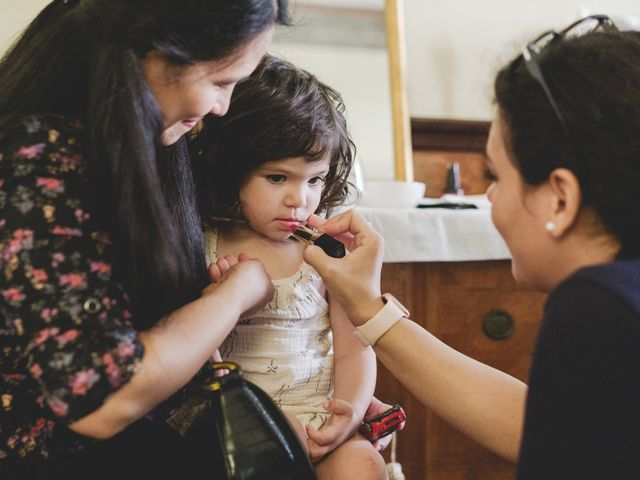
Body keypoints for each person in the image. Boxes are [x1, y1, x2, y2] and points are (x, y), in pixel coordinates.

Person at [301, 15, 640, 479]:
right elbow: (541, 424)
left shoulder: (598, 306)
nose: (491, 198)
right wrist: (367, 308)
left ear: (560, 197)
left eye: (497, 177)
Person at [0, 1, 290, 478]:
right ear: (154, 52)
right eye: (221, 82)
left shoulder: (140, 145)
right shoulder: (38, 156)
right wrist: (236, 294)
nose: (223, 106)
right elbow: (100, 398)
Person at [190, 54, 387, 479]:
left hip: (321, 414)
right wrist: (218, 300)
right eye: (277, 178)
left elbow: (355, 346)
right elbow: (195, 355)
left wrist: (349, 414)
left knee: (364, 464)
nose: (300, 198)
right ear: (231, 171)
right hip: (242, 424)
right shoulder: (205, 244)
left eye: (314, 179)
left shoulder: (325, 251)